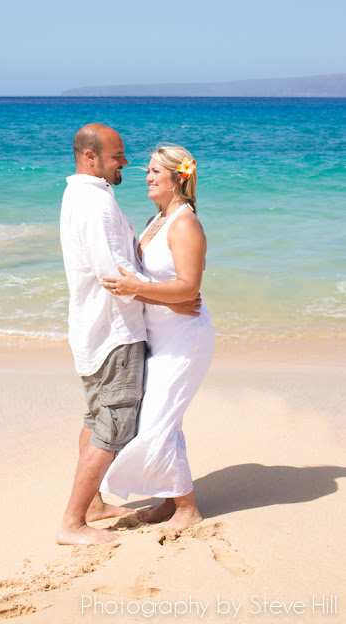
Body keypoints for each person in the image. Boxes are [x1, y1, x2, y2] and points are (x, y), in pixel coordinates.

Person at [56, 126, 200, 545]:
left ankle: (95, 505)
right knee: (113, 428)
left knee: (98, 420)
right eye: (118, 155)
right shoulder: (96, 203)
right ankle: (73, 523)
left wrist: (169, 297)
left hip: (97, 329)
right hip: (114, 332)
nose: (126, 163)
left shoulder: (79, 195)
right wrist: (172, 300)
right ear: (91, 158)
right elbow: (114, 274)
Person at [100, 145, 215, 531]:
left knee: (156, 420)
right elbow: (162, 285)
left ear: (178, 178)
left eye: (155, 172)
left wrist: (136, 290)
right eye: (147, 171)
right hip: (158, 336)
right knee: (165, 419)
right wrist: (143, 293)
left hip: (185, 339)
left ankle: (187, 508)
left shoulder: (184, 224)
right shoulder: (157, 220)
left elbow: (188, 288)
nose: (147, 177)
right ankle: (170, 500)